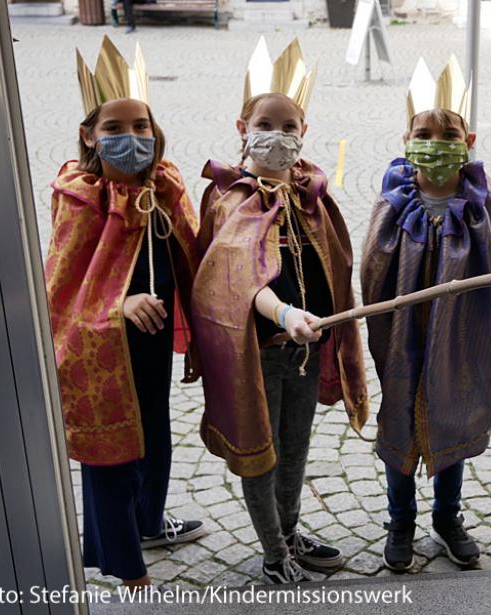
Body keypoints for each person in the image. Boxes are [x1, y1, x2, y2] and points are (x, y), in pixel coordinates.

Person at [191, 38, 368, 585]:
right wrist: (283, 311)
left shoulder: (311, 193)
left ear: (304, 133)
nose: (281, 134)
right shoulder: (229, 197)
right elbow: (236, 280)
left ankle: (289, 532)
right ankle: (272, 551)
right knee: (261, 453)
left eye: (291, 126)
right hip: (258, 354)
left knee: (295, 449)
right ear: (243, 127)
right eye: (268, 122)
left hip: (307, 347)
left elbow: (336, 265)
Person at [45, 36, 204, 587]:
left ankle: (147, 523)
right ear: (89, 135)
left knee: (153, 434)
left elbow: (193, 257)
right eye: (114, 129)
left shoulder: (165, 186)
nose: (132, 138)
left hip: (152, 340)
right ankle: (124, 564)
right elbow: (61, 288)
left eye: (142, 126)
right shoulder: (80, 195)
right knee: (110, 448)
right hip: (102, 345)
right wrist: (117, 303)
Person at [361, 56, 491, 571]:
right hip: (406, 333)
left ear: (467, 140)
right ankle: (400, 520)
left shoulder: (482, 199)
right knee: (402, 420)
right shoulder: (396, 195)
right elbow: (373, 263)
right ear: (406, 139)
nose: (435, 140)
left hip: (460, 336)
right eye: (423, 132)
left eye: (447, 132)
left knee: (450, 415)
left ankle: (447, 518)